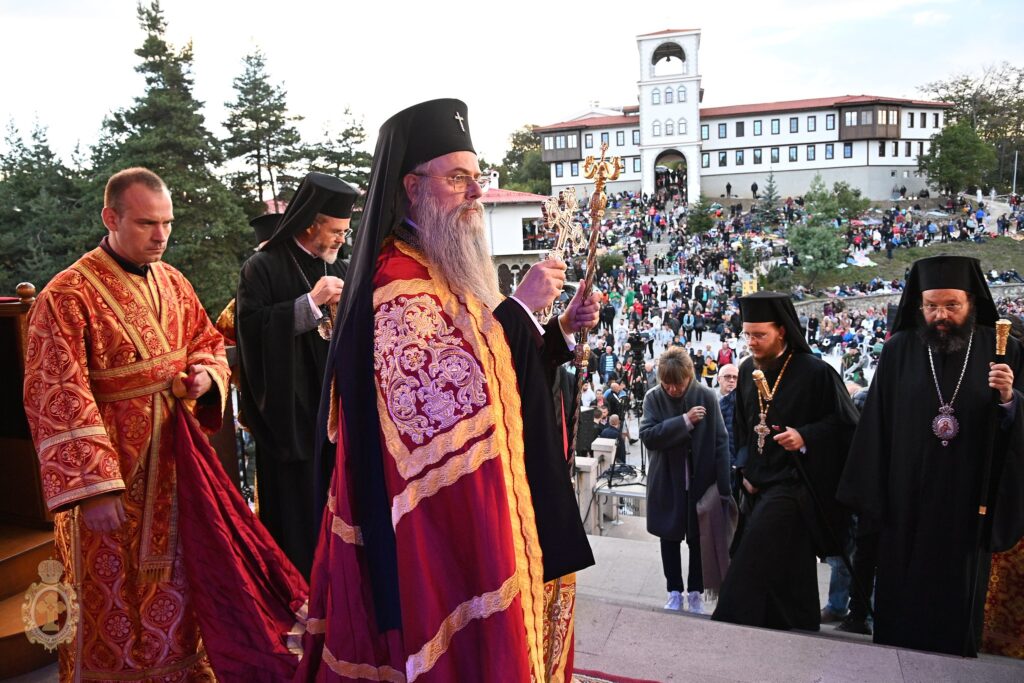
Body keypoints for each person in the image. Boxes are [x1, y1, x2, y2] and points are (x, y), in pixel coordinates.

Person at [297, 99, 598, 682]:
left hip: (478, 500)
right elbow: (446, 397)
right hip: (435, 521)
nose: (476, 192)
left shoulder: (441, 261)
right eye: (458, 178)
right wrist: (520, 308)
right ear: (412, 188)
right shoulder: (395, 280)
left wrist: (557, 330)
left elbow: (498, 368)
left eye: (477, 176)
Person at [22, 168, 306, 681]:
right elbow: (57, 393)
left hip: (177, 469)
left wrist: (205, 377)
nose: (161, 236)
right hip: (113, 482)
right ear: (111, 218)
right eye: (147, 223)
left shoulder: (173, 281)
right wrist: (94, 488)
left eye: (168, 223)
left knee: (183, 583)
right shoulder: (66, 295)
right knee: (111, 596)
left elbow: (207, 342)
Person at [838, 256, 1024, 656]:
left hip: (966, 498)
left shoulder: (1003, 348)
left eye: (951, 305)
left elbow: (1014, 428)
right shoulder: (899, 350)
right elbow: (876, 425)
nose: (940, 315)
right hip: (905, 498)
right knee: (901, 606)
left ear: (971, 302)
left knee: (954, 611)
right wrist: (871, 497)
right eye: (931, 306)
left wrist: (1010, 399)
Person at [712, 292, 858, 631]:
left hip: (796, 483)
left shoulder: (816, 373)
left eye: (760, 335)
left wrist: (805, 436)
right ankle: (797, 623)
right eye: (747, 334)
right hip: (756, 482)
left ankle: (726, 628)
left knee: (752, 557)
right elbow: (742, 428)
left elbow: (847, 425)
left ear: (782, 330)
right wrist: (745, 468)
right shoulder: (747, 370)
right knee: (791, 559)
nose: (751, 342)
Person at [236, 172, 358, 578]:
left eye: (345, 231)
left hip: (337, 416)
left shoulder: (343, 265)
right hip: (291, 419)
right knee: (299, 522)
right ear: (309, 224)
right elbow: (251, 332)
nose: (342, 239)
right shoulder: (263, 267)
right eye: (336, 231)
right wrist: (310, 303)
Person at [640, 347, 731, 615]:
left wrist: (724, 488)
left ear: (689, 376)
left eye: (677, 384)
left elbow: (721, 441)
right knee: (668, 538)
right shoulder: (653, 397)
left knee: (698, 539)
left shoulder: (706, 396)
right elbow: (648, 436)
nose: (672, 389)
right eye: (667, 384)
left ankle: (695, 592)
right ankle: (674, 591)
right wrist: (684, 421)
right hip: (667, 480)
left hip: (700, 481)